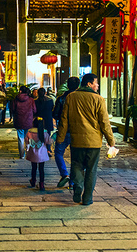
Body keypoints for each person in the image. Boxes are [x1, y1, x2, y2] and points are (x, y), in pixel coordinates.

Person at [57, 73, 115, 206]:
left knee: (76, 165)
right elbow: (104, 123)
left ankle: (78, 185)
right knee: (91, 170)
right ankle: (87, 198)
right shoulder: (98, 99)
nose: (98, 85)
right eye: (96, 82)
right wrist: (111, 141)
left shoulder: (71, 97)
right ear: (89, 84)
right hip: (94, 142)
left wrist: (60, 138)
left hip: (76, 141)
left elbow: (64, 120)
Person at [52, 76, 80, 188]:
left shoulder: (61, 98)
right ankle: (72, 182)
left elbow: (55, 114)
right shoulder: (80, 98)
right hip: (77, 131)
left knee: (58, 153)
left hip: (63, 130)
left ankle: (64, 174)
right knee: (75, 156)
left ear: (67, 85)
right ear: (78, 85)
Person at [24, 117, 53, 191]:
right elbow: (49, 141)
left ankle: (33, 181)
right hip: (42, 154)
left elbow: (27, 141)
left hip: (33, 154)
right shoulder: (44, 133)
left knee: (34, 168)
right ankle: (42, 184)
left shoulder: (29, 132)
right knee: (41, 169)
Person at [11, 85, 36, 159]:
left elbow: (12, 109)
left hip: (19, 121)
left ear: (20, 91)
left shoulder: (16, 99)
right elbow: (35, 110)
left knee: (20, 138)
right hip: (28, 121)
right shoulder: (31, 100)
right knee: (28, 137)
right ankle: (28, 152)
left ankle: (22, 154)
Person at [34, 87, 54, 155]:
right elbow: (52, 109)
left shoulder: (35, 101)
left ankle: (41, 149)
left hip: (39, 120)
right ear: (45, 93)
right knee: (48, 135)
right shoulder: (50, 101)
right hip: (48, 120)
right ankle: (48, 149)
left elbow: (34, 111)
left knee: (39, 135)